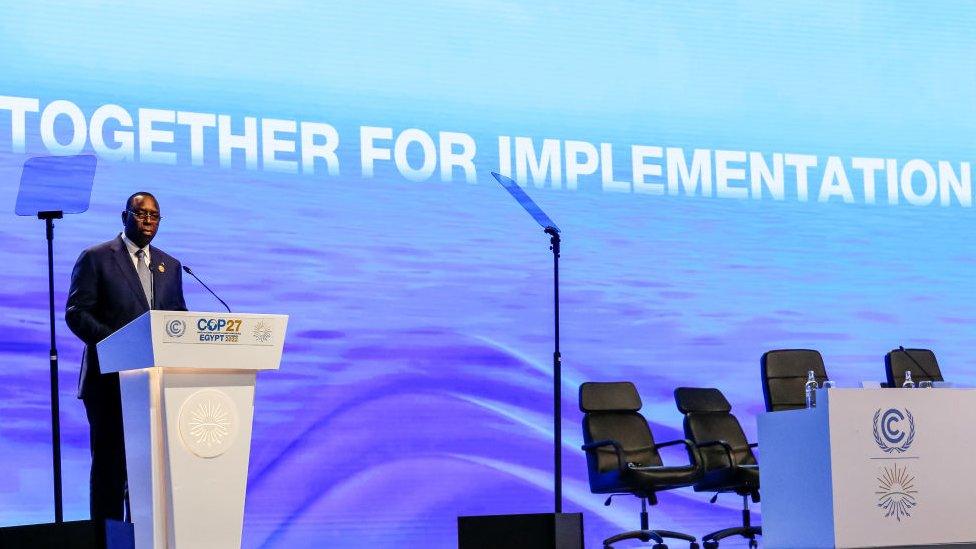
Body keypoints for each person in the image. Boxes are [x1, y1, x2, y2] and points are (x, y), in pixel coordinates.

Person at [65, 191, 187, 521]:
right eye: (141, 214)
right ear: (124, 217)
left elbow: (177, 320)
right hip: (108, 383)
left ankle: (149, 537)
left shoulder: (170, 266)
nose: (148, 221)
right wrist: (120, 345)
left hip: (155, 386)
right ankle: (107, 540)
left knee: (150, 474)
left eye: (154, 216)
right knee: (110, 469)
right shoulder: (96, 257)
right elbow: (77, 312)